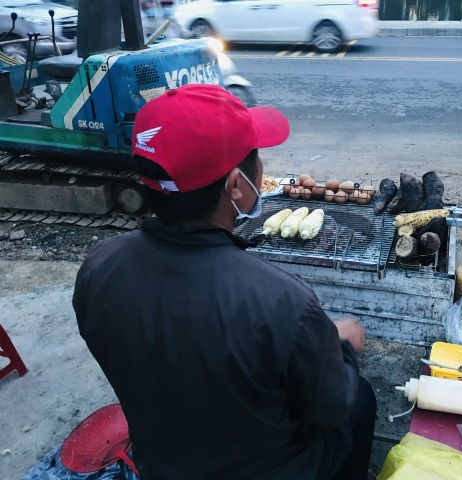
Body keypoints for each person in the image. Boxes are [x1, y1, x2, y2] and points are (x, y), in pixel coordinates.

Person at [73, 84, 377, 480]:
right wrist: (335, 346)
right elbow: (330, 406)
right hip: (266, 469)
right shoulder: (282, 302)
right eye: (257, 158)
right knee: (362, 399)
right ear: (236, 185)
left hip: (163, 460)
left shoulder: (98, 266)